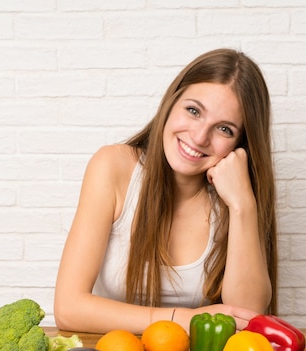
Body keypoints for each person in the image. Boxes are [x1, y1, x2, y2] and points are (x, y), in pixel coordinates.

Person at [54, 48, 278, 334]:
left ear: (240, 145)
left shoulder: (233, 193)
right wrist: (186, 319)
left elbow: (248, 318)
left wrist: (242, 204)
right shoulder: (113, 167)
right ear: (171, 103)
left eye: (224, 129)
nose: (199, 137)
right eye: (193, 111)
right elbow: (68, 309)